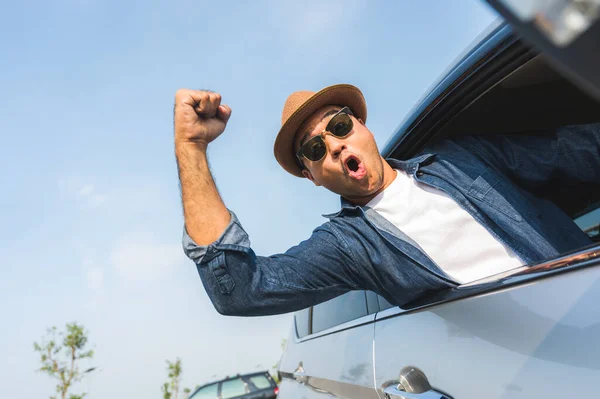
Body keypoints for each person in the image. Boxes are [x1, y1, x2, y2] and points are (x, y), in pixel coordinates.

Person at [174, 84, 599, 316]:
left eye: (339, 126)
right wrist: (191, 148)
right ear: (312, 177)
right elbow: (242, 292)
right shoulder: (349, 246)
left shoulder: (463, 158)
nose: (335, 146)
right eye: (315, 150)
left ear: (362, 126)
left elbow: (580, 152)